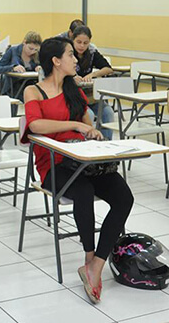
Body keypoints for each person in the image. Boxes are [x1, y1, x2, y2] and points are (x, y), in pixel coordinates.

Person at [22, 37, 133, 304]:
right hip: (54, 164)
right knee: (83, 193)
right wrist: (78, 125)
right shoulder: (33, 91)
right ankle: (88, 254)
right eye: (70, 55)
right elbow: (35, 126)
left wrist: (92, 131)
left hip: (83, 161)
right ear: (55, 61)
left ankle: (97, 263)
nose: (76, 59)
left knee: (123, 198)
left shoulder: (74, 90)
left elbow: (86, 125)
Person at [72, 26, 114, 140]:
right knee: (88, 115)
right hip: (74, 96)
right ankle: (87, 144)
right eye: (79, 42)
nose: (82, 46)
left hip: (90, 95)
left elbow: (108, 69)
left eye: (85, 43)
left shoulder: (92, 52)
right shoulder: (67, 52)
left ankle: (106, 144)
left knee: (108, 112)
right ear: (73, 40)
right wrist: (72, 77)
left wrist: (93, 75)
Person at [0, 31, 42, 96]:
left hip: (31, 86)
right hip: (13, 87)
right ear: (24, 42)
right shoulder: (13, 50)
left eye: (36, 50)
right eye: (30, 48)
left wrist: (40, 67)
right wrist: (12, 68)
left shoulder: (38, 54)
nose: (32, 52)